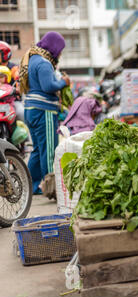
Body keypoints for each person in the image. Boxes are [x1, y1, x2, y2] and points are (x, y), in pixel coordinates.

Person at [19, 31, 70, 195]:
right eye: (60, 49)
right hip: (43, 111)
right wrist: (64, 82)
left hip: (31, 110)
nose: (60, 53)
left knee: (38, 150)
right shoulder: (44, 63)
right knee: (49, 150)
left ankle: (30, 186)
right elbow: (48, 86)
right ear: (54, 47)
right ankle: (52, 188)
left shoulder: (33, 59)